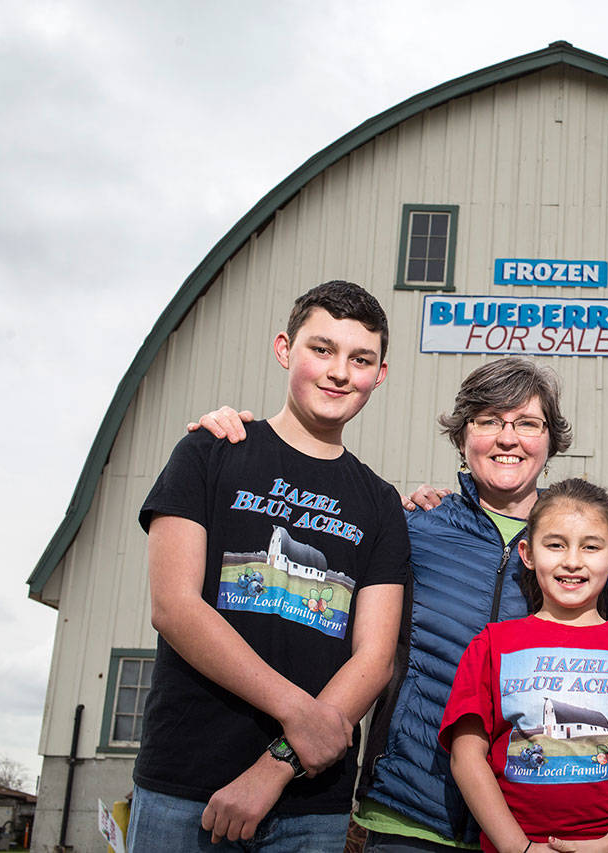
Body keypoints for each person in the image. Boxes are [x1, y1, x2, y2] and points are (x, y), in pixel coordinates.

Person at [188, 357, 575, 851]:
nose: (508, 438)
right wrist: (235, 435)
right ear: (461, 437)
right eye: (487, 421)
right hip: (410, 811)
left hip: (537, 819)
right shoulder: (410, 527)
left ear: (550, 440)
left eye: (527, 423)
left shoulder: (578, 547)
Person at [128, 281, 409, 852]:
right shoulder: (210, 451)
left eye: (360, 360)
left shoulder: (379, 502)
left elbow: (375, 657)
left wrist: (279, 762)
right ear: (285, 349)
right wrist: (297, 712)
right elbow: (175, 607)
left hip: (311, 802)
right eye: (321, 349)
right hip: (187, 783)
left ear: (378, 376)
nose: (338, 372)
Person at [439, 478, 608, 852]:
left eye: (591, 547)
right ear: (528, 554)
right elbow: (466, 755)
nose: (572, 561)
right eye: (555, 545)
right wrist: (519, 848)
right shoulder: (493, 644)